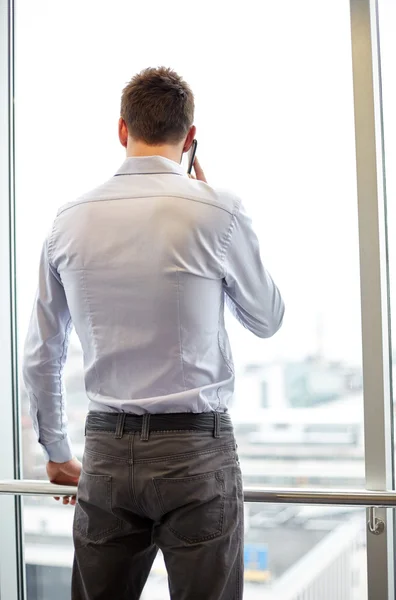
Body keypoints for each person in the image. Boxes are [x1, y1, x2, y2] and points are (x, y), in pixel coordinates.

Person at [22, 66, 285, 600]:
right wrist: (213, 210)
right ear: (190, 138)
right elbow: (267, 319)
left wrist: (56, 449)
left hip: (105, 454)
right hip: (196, 451)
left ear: (122, 130)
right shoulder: (218, 211)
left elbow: (41, 354)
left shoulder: (66, 221)